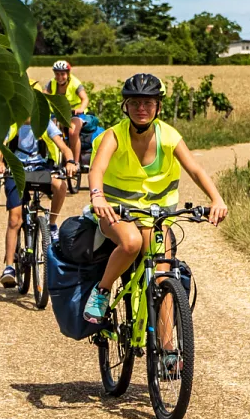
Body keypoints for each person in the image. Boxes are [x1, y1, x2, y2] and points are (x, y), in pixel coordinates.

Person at [82, 74, 229, 337]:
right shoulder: (114, 136)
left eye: (148, 103)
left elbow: (195, 169)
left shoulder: (168, 136)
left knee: (164, 275)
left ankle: (168, 348)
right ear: (125, 106)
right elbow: (97, 169)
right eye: (135, 102)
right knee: (131, 243)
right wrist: (97, 196)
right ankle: (102, 292)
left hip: (154, 217)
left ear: (158, 107)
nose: (142, 108)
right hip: (116, 212)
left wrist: (216, 198)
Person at [0, 117, 75, 287]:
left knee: (60, 185)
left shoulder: (44, 122)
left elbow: (64, 147)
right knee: (15, 219)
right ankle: (9, 267)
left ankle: (52, 224)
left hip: (39, 168)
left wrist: (70, 161)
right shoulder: (11, 123)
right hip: (15, 170)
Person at [46, 60, 90, 172]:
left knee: (72, 132)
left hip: (75, 113)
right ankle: (53, 160)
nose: (60, 77)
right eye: (57, 74)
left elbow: (85, 99)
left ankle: (75, 163)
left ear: (68, 73)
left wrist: (80, 109)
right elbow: (43, 95)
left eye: (63, 74)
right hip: (58, 113)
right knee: (50, 133)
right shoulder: (51, 83)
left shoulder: (75, 83)